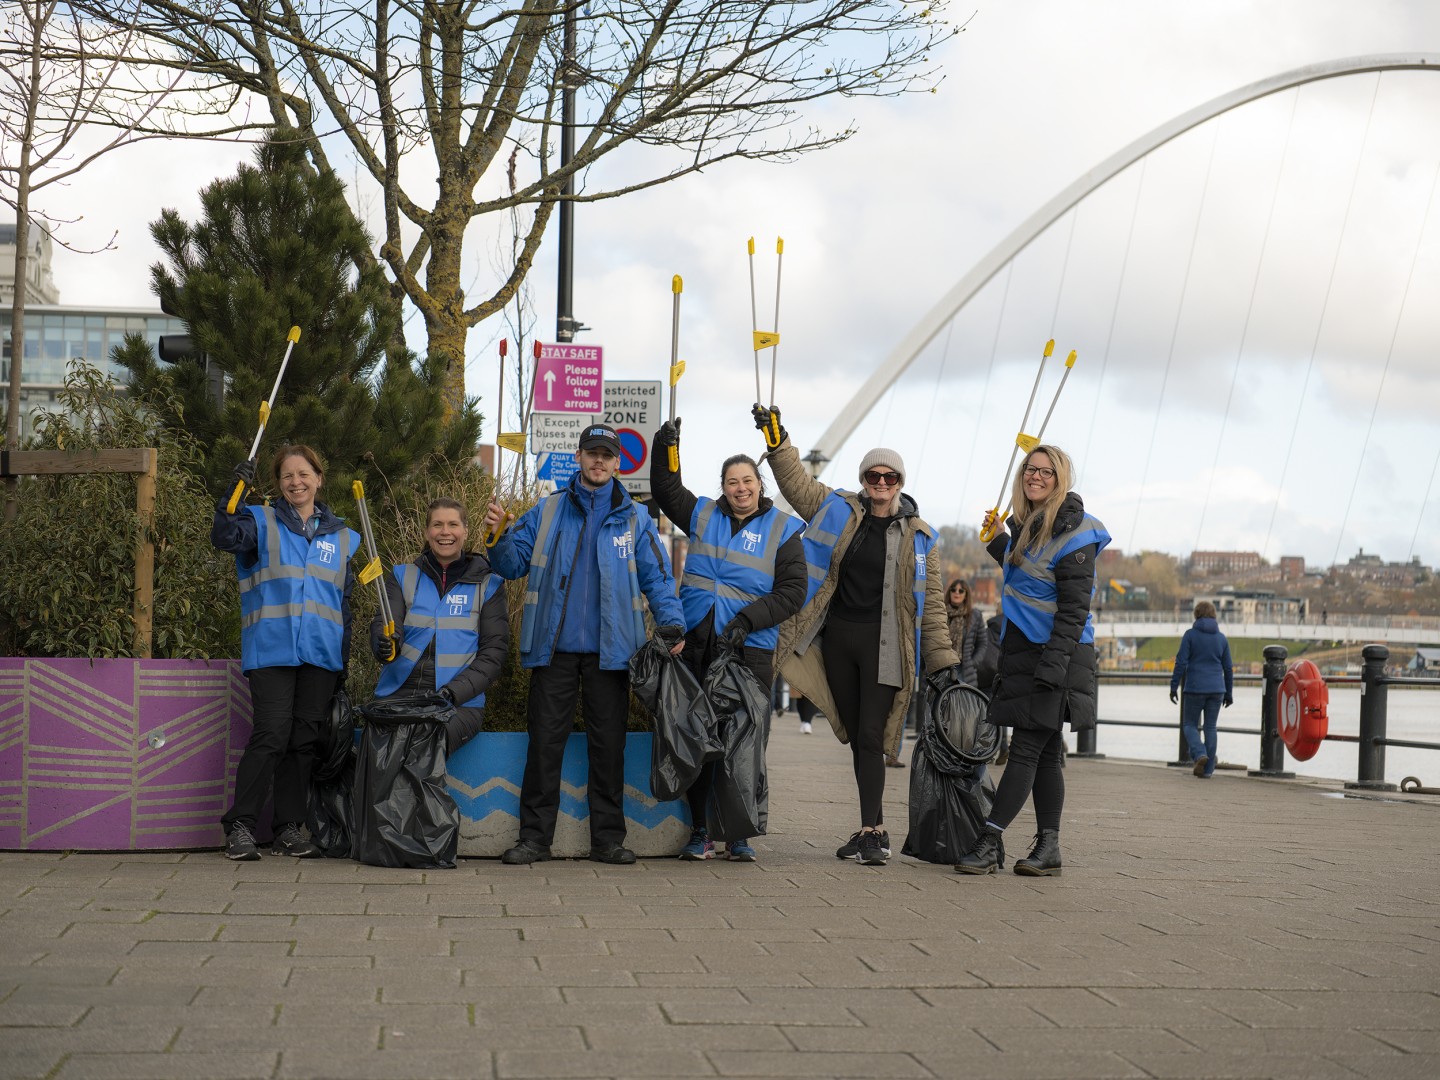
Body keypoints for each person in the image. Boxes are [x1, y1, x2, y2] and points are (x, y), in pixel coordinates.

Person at [758, 407, 960, 867]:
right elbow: (798, 485)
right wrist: (778, 442)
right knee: (855, 735)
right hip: (836, 643)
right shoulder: (839, 510)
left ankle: (871, 833)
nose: (882, 483)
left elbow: (930, 609)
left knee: (871, 735)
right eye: (874, 475)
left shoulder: (922, 537)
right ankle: (876, 828)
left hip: (885, 648)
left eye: (890, 476)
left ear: (901, 482)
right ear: (864, 478)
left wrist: (943, 663)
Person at [484, 423, 685, 866]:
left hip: (612, 655)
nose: (599, 461)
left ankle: (608, 840)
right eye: (591, 453)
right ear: (578, 457)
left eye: (607, 455)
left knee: (608, 749)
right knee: (544, 746)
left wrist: (672, 623)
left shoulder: (634, 518)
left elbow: (657, 578)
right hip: (551, 650)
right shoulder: (548, 510)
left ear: (618, 463)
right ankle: (534, 839)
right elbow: (513, 564)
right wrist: (497, 537)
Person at [650, 423, 807, 861]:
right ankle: (700, 831)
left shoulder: (784, 530)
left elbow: (793, 591)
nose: (741, 488)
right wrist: (667, 448)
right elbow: (665, 488)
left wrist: (746, 620)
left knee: (742, 744)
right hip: (698, 643)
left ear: (761, 485)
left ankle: (737, 835)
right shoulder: (702, 514)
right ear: (723, 487)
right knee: (699, 740)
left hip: (749, 649)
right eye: (732, 482)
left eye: (748, 481)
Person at [956, 444, 1109, 878]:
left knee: (1025, 748)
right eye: (1030, 469)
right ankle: (1049, 848)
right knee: (1042, 754)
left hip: (1056, 655)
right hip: (1029, 652)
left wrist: (1052, 667)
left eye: (1046, 472)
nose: (1035, 476)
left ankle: (990, 841)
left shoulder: (1077, 533)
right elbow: (1026, 574)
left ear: (1061, 480)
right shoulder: (1029, 527)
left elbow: (1073, 610)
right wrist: (996, 541)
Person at [211, 445, 359, 861]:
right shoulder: (260, 522)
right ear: (278, 484)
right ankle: (240, 825)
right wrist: (233, 494)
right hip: (272, 651)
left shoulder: (345, 537)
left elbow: (342, 604)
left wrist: (343, 662)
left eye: (303, 474)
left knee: (303, 743)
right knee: (271, 735)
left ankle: (289, 829)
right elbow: (223, 536)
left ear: (319, 477)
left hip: (321, 657)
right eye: (287, 476)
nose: (296, 482)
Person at [371, 498, 509, 754]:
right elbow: (385, 621)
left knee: (425, 748)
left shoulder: (489, 585)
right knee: (383, 752)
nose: (445, 532)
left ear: (465, 531)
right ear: (427, 532)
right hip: (399, 694)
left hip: (458, 702)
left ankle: (411, 797)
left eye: (453, 524)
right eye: (437, 525)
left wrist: (452, 693)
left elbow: (494, 654)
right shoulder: (402, 575)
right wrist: (384, 642)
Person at [1169, 600, 1233, 778]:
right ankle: (1207, 770)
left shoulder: (1190, 635)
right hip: (1217, 689)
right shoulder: (1221, 639)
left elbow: (1181, 662)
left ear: (1196, 615)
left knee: (1190, 725)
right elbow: (1228, 668)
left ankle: (1199, 754)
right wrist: (1229, 692)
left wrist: (1174, 686)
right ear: (1214, 616)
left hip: (1195, 687)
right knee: (1210, 727)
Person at [946, 579, 988, 687]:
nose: (956, 593)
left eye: (961, 591)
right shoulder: (941, 614)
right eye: (953, 590)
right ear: (949, 592)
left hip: (965, 672)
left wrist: (973, 663)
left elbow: (982, 644)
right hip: (943, 668)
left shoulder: (975, 616)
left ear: (966, 595)